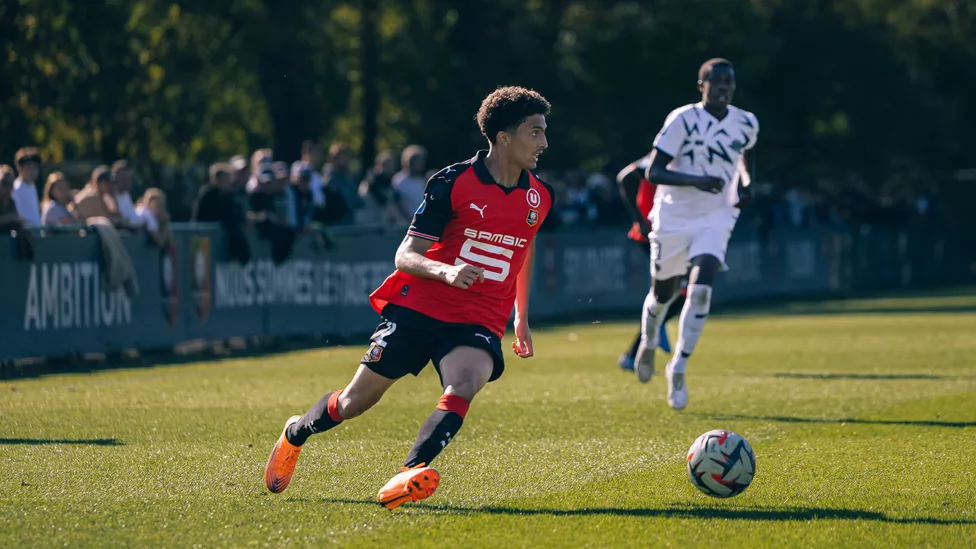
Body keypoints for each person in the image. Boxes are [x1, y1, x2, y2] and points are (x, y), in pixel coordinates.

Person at [263, 86, 553, 509]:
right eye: (535, 132)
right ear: (504, 137)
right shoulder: (453, 182)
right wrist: (447, 271)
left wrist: (520, 316)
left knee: (465, 382)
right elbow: (406, 255)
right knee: (352, 402)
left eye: (544, 132)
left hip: (479, 316)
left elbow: (522, 250)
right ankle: (295, 433)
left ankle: (406, 475)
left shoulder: (539, 196)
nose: (544, 143)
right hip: (421, 306)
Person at [632, 58, 758, 411]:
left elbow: (746, 157)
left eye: (728, 82)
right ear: (700, 85)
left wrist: (746, 185)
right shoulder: (682, 119)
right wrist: (697, 180)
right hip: (674, 215)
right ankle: (649, 339)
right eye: (715, 81)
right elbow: (654, 171)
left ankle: (679, 367)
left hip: (717, 216)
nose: (722, 87)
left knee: (701, 291)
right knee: (663, 294)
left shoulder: (746, 121)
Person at [615, 155, 684, 371]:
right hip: (653, 233)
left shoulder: (689, 158)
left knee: (682, 291)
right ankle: (640, 347)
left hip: (670, 234)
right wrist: (639, 219)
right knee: (680, 289)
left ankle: (654, 328)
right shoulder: (662, 156)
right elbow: (624, 178)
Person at [12, 147, 42, 227]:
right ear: (20, 168)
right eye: (29, 167)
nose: (32, 171)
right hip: (24, 234)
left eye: (35, 167)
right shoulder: (16, 188)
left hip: (36, 233)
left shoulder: (32, 186)